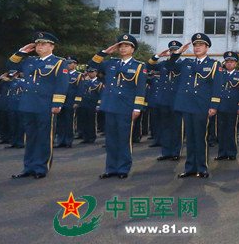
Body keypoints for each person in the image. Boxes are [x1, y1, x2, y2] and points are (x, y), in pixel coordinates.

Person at [7, 32, 69, 179]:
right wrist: (21, 51)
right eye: (38, 44)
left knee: (44, 137)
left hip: (45, 105)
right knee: (30, 137)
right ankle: (28, 167)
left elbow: (62, 84)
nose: (39, 46)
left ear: (52, 46)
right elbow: (10, 65)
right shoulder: (29, 61)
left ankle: (41, 167)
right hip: (28, 104)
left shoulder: (59, 62)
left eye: (43, 44)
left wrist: (57, 103)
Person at [89, 34, 147, 179]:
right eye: (121, 46)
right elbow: (92, 64)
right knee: (111, 139)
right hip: (110, 105)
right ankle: (111, 168)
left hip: (126, 106)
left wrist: (137, 107)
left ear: (133, 49)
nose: (123, 48)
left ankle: (123, 168)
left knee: (123, 138)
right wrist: (105, 52)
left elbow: (140, 88)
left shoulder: (139, 66)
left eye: (126, 46)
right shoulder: (111, 63)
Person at [167, 34, 223, 178]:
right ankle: (190, 167)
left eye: (200, 45)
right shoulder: (186, 63)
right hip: (187, 104)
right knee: (190, 138)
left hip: (202, 105)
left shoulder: (214, 64)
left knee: (200, 137)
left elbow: (217, 87)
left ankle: (202, 167)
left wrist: (214, 105)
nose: (197, 48)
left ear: (207, 47)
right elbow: (169, 65)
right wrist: (178, 52)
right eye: (195, 45)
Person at [148, 40, 184, 161]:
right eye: (172, 50)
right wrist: (157, 56)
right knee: (165, 127)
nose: (173, 52)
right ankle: (166, 152)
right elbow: (149, 66)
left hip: (177, 100)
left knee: (176, 127)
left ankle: (175, 152)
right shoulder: (163, 64)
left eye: (176, 50)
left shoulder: (183, 64)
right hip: (163, 99)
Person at [215, 51, 239, 161]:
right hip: (221, 106)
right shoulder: (220, 75)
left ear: (236, 64)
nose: (229, 64)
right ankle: (222, 153)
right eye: (227, 61)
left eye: (232, 62)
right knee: (221, 130)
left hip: (233, 107)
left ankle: (232, 152)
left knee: (232, 130)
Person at [54, 56, 81, 149]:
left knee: (69, 122)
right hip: (60, 100)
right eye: (68, 63)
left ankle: (68, 141)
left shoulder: (78, 75)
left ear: (75, 64)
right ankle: (60, 141)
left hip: (71, 101)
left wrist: (77, 101)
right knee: (60, 122)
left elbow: (80, 89)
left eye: (71, 63)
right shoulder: (61, 74)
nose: (69, 65)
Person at [75, 67, 101, 144]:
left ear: (96, 72)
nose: (91, 73)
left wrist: (98, 105)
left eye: (92, 72)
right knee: (84, 121)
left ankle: (92, 137)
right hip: (84, 103)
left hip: (92, 104)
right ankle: (85, 137)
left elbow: (101, 95)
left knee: (91, 121)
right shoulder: (85, 82)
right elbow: (80, 92)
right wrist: (78, 102)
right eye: (89, 72)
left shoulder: (100, 82)